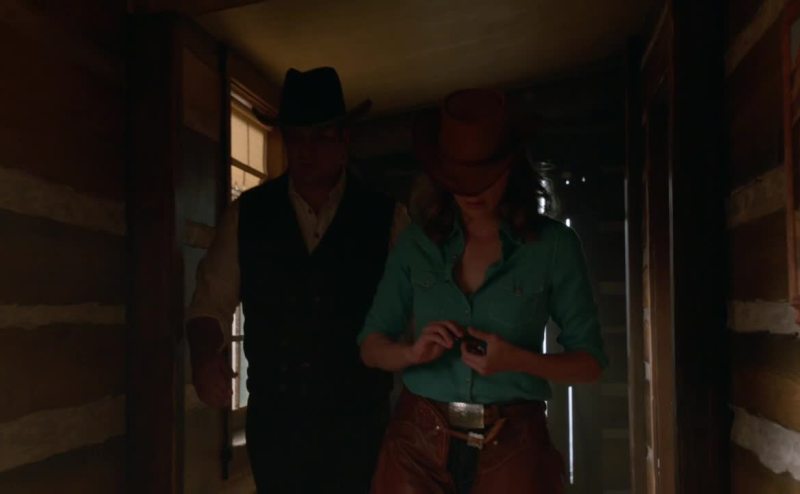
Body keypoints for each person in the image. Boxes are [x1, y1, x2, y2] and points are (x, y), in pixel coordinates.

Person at [358, 88, 608, 493]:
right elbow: (371, 347)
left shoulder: (554, 247)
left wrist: (517, 360)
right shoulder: (415, 244)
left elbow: (590, 364)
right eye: (459, 177)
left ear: (512, 167)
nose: (472, 191)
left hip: (514, 444)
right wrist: (411, 354)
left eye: (484, 176)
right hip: (417, 445)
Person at [186, 67, 408, 493]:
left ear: (344, 139)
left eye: (321, 137)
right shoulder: (247, 216)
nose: (307, 151)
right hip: (277, 432)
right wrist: (205, 356)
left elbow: (416, 314)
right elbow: (209, 303)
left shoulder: (388, 219)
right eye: (297, 138)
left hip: (361, 431)